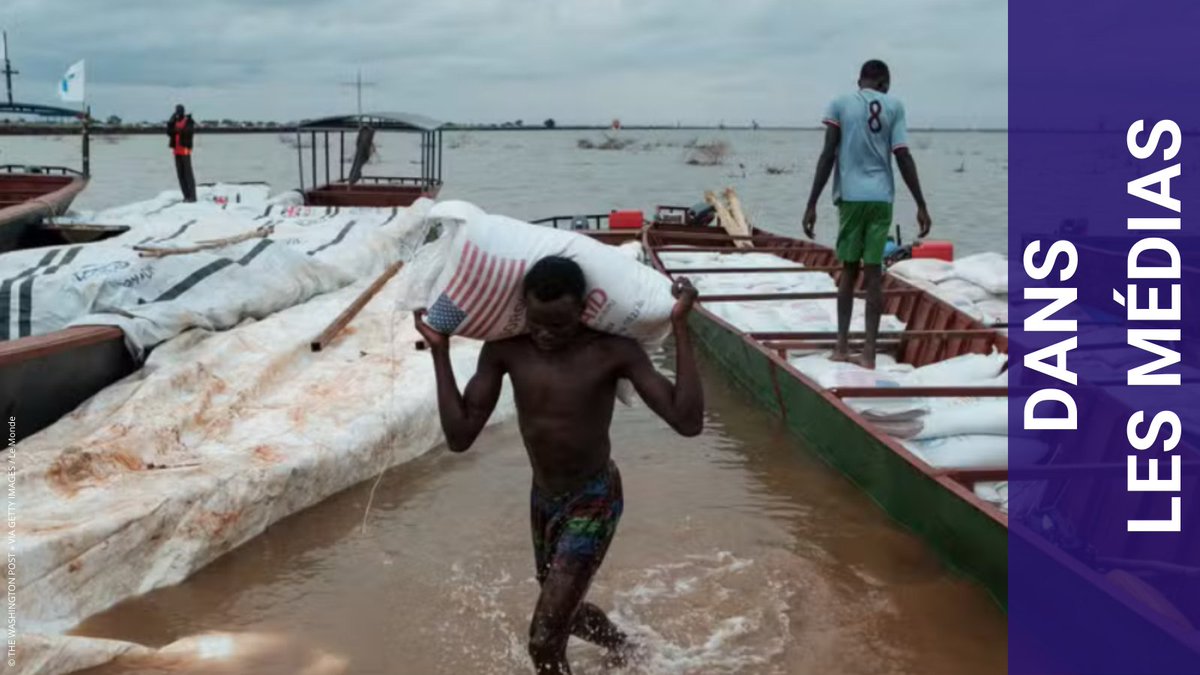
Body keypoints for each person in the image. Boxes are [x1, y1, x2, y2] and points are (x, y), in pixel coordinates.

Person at [413, 256, 704, 674]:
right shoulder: (505, 351)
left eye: (560, 325)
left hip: (595, 500)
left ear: (584, 310)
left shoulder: (612, 353)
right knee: (563, 608)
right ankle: (625, 647)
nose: (546, 335)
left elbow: (688, 421)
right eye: (537, 323)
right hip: (544, 501)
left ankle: (621, 648)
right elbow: (460, 437)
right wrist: (439, 353)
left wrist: (680, 326)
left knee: (543, 643)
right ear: (524, 311)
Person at [802, 59, 931, 369]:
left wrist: (811, 203)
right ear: (884, 83)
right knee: (874, 274)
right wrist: (921, 204)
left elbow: (828, 155)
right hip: (881, 199)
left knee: (848, 271)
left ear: (860, 80)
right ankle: (870, 354)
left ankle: (842, 347)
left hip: (850, 198)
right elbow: (903, 155)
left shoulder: (839, 104)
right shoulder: (894, 106)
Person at [167, 104, 197, 202]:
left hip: (185, 150)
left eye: (179, 111)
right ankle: (186, 196)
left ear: (183, 111)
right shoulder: (175, 121)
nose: (178, 112)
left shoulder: (189, 121)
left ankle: (193, 197)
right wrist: (171, 121)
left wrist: (179, 130)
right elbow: (169, 132)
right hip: (176, 151)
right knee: (180, 175)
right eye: (176, 111)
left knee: (188, 174)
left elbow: (189, 131)